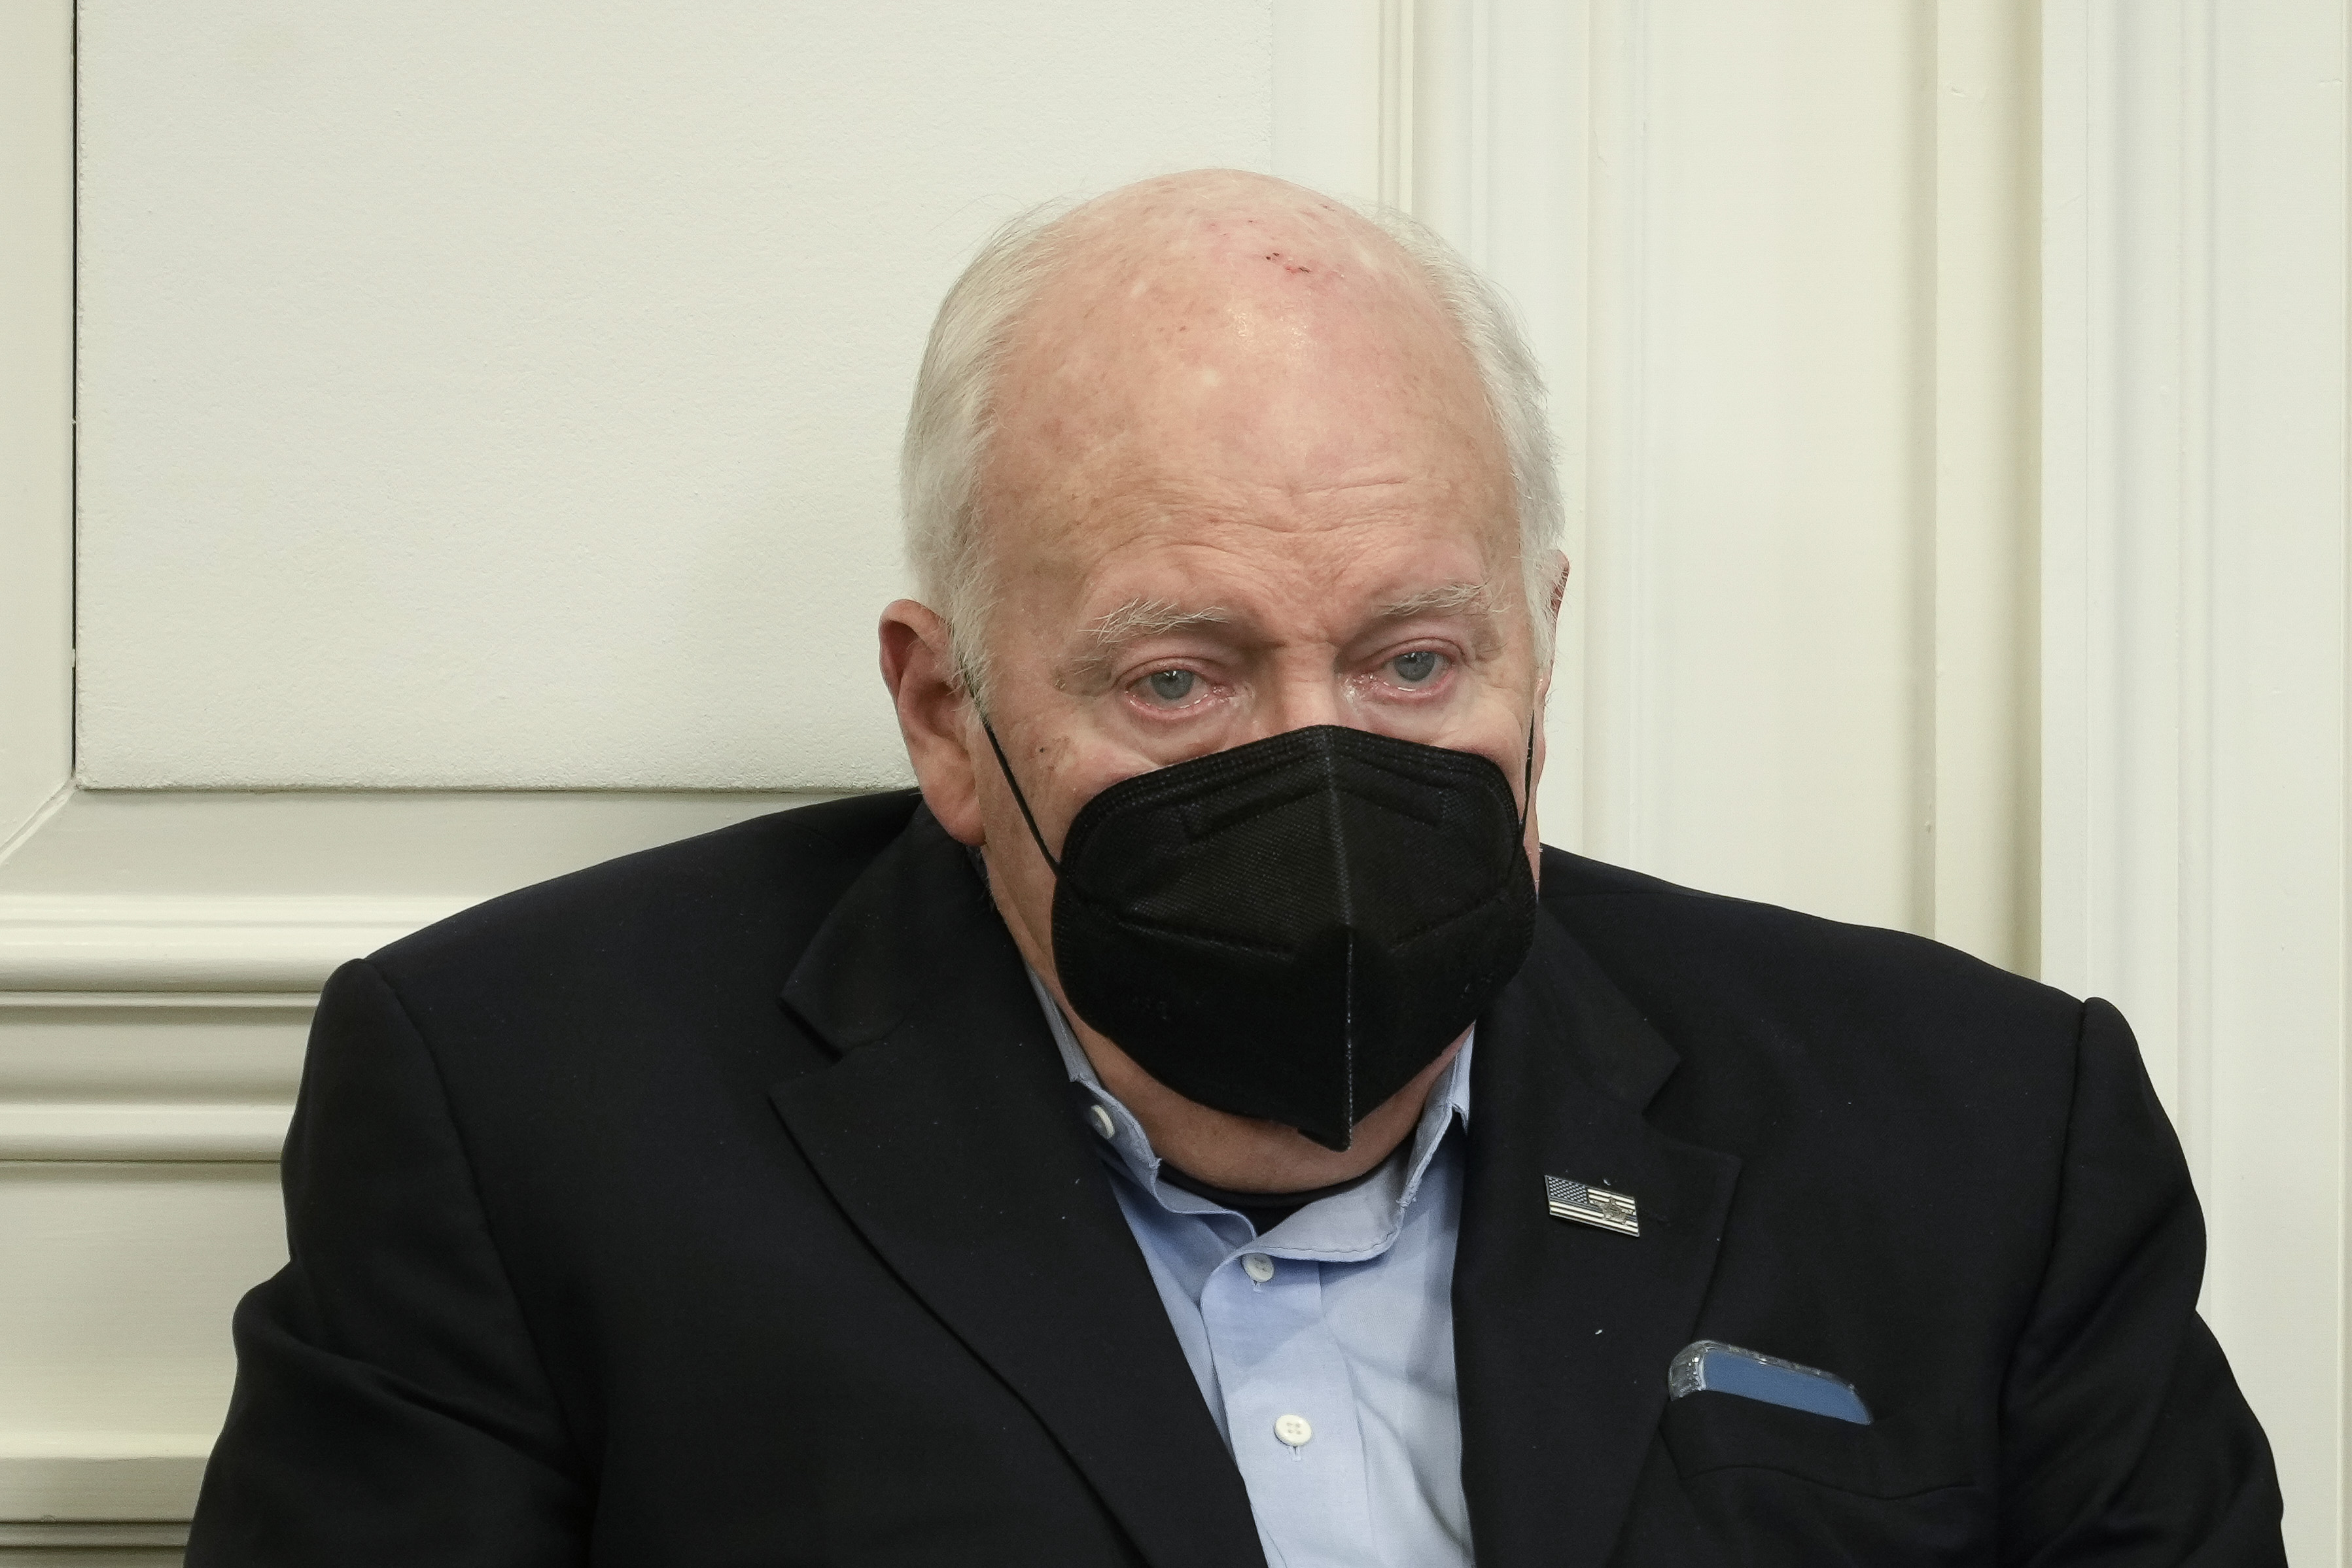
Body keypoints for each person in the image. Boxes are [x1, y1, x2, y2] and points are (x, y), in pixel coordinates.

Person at [186, 170, 2283, 1567]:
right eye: (1180, 678)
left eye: (1410, 659)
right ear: (946, 711)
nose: (1317, 765)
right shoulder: (526, 1113)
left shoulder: (1981, 1134)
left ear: (1538, 649)